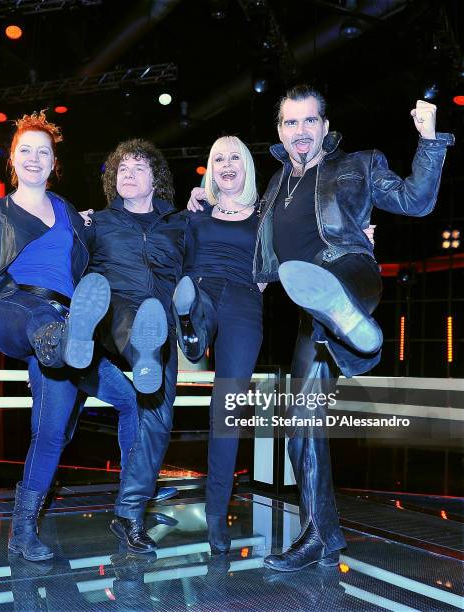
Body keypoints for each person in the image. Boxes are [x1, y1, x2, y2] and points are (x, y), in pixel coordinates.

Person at [190, 84, 453, 571]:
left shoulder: (358, 164)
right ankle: (323, 537)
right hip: (309, 311)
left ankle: (356, 333)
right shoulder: (273, 187)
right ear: (280, 132)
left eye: (310, 121)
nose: (301, 131)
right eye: (291, 123)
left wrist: (429, 140)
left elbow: (416, 202)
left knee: (341, 287)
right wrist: (203, 200)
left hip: (349, 270)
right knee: (301, 423)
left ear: (325, 128)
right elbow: (246, 234)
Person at [0, 111, 119, 562]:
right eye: (25, 151)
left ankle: (25, 532)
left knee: (52, 431)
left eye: (43, 152)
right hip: (13, 308)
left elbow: (105, 240)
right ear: (13, 159)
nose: (34, 158)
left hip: (65, 320)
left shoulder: (70, 210)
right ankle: (65, 341)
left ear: (54, 163)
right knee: (42, 323)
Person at [84, 139, 187, 553]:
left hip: (161, 324)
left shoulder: (180, 223)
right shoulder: (97, 223)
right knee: (133, 316)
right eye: (120, 168)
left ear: (155, 178)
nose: (127, 174)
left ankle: (128, 515)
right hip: (115, 315)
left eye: (137, 167)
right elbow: (67, 258)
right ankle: (143, 351)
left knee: (158, 421)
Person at [171, 136, 263, 554]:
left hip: (245, 303)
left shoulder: (265, 214)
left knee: (226, 410)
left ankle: (215, 519)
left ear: (245, 166)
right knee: (194, 298)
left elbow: (291, 252)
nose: (226, 164)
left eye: (234, 157)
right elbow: (164, 240)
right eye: (217, 158)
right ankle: (191, 328)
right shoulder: (196, 214)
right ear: (210, 168)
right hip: (202, 288)